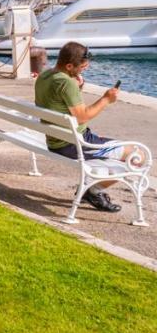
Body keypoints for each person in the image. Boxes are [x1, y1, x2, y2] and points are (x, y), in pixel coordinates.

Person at [34, 42, 141, 213]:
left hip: (56, 140)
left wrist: (77, 88)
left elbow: (58, 102)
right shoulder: (66, 83)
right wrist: (106, 99)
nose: (86, 67)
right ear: (69, 66)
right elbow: (82, 116)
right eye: (82, 67)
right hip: (74, 144)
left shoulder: (45, 76)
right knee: (137, 155)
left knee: (120, 152)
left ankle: (91, 188)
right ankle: (93, 191)